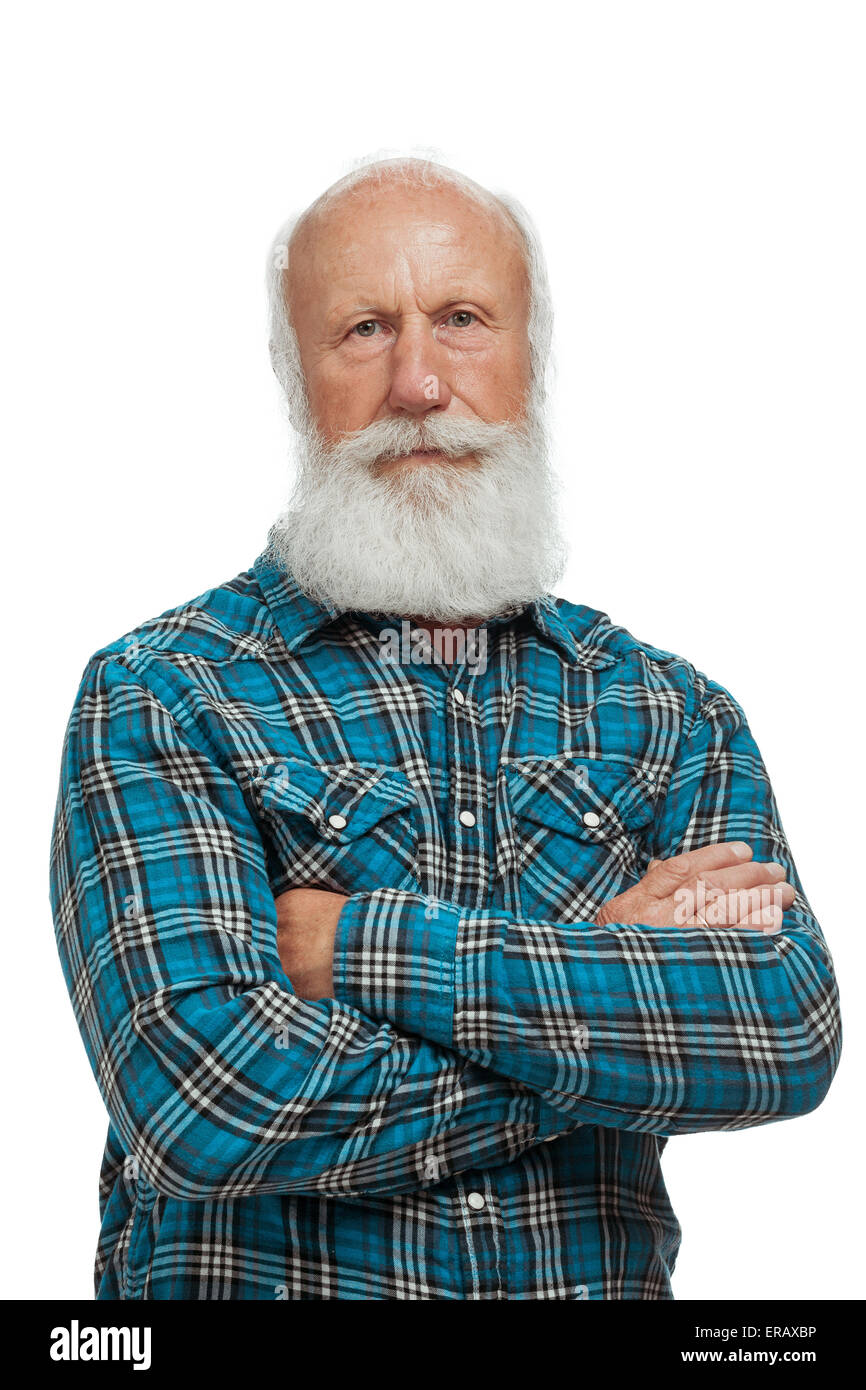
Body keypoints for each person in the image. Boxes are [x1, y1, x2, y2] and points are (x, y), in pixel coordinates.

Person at [49, 155, 841, 1300]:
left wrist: (355, 945)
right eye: (363, 329)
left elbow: (777, 1029)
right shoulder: (165, 693)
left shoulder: (671, 713)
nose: (417, 382)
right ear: (293, 378)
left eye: (461, 319)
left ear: (530, 358)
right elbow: (206, 1102)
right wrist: (609, 987)